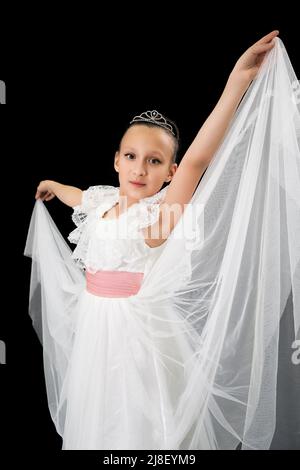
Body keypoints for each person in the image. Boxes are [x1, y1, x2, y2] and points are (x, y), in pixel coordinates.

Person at [25, 31, 300, 450]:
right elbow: (79, 196)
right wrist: (52, 185)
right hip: (94, 330)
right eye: (131, 157)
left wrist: (237, 81)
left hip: (134, 336)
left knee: (137, 424)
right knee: (96, 420)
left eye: (154, 162)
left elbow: (197, 160)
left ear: (169, 173)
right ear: (116, 160)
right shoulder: (104, 199)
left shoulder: (158, 216)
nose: (140, 169)